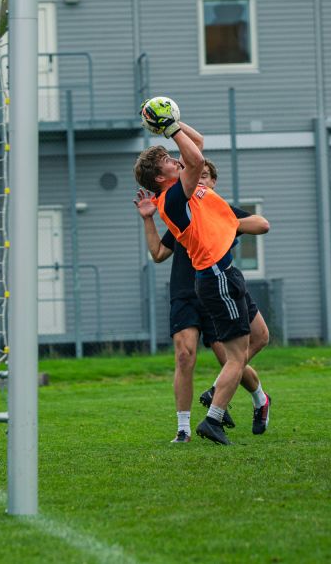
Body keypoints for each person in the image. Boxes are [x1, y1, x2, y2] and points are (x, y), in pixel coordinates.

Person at [133, 100, 261, 445]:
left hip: (220, 274)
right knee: (235, 356)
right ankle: (210, 420)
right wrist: (171, 128)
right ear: (162, 178)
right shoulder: (174, 197)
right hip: (215, 275)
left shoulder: (180, 188)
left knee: (247, 345)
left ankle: (237, 408)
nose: (175, 160)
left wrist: (173, 122)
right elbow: (196, 159)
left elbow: (197, 146)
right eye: (167, 162)